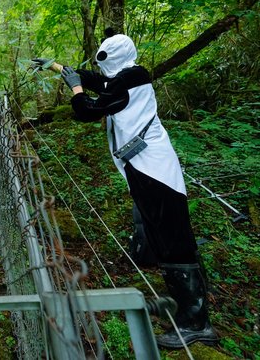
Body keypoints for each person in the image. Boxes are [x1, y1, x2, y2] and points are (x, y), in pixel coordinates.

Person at [32, 32, 219, 349]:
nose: (100, 64)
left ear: (115, 58)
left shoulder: (129, 82)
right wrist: (56, 66)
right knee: (163, 236)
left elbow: (87, 109)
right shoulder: (129, 76)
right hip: (143, 165)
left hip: (154, 169)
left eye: (104, 58)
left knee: (174, 240)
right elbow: (98, 79)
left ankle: (196, 323)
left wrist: (75, 87)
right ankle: (186, 310)